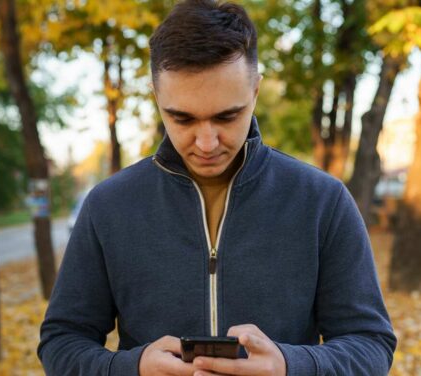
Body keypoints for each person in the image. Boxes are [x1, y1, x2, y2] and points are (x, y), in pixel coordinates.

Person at [38, 1, 396, 375]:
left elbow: (371, 343)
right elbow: (62, 341)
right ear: (157, 97)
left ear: (255, 91)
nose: (207, 143)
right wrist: (132, 368)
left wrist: (291, 367)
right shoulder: (108, 207)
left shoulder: (323, 201)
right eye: (182, 118)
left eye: (227, 116)